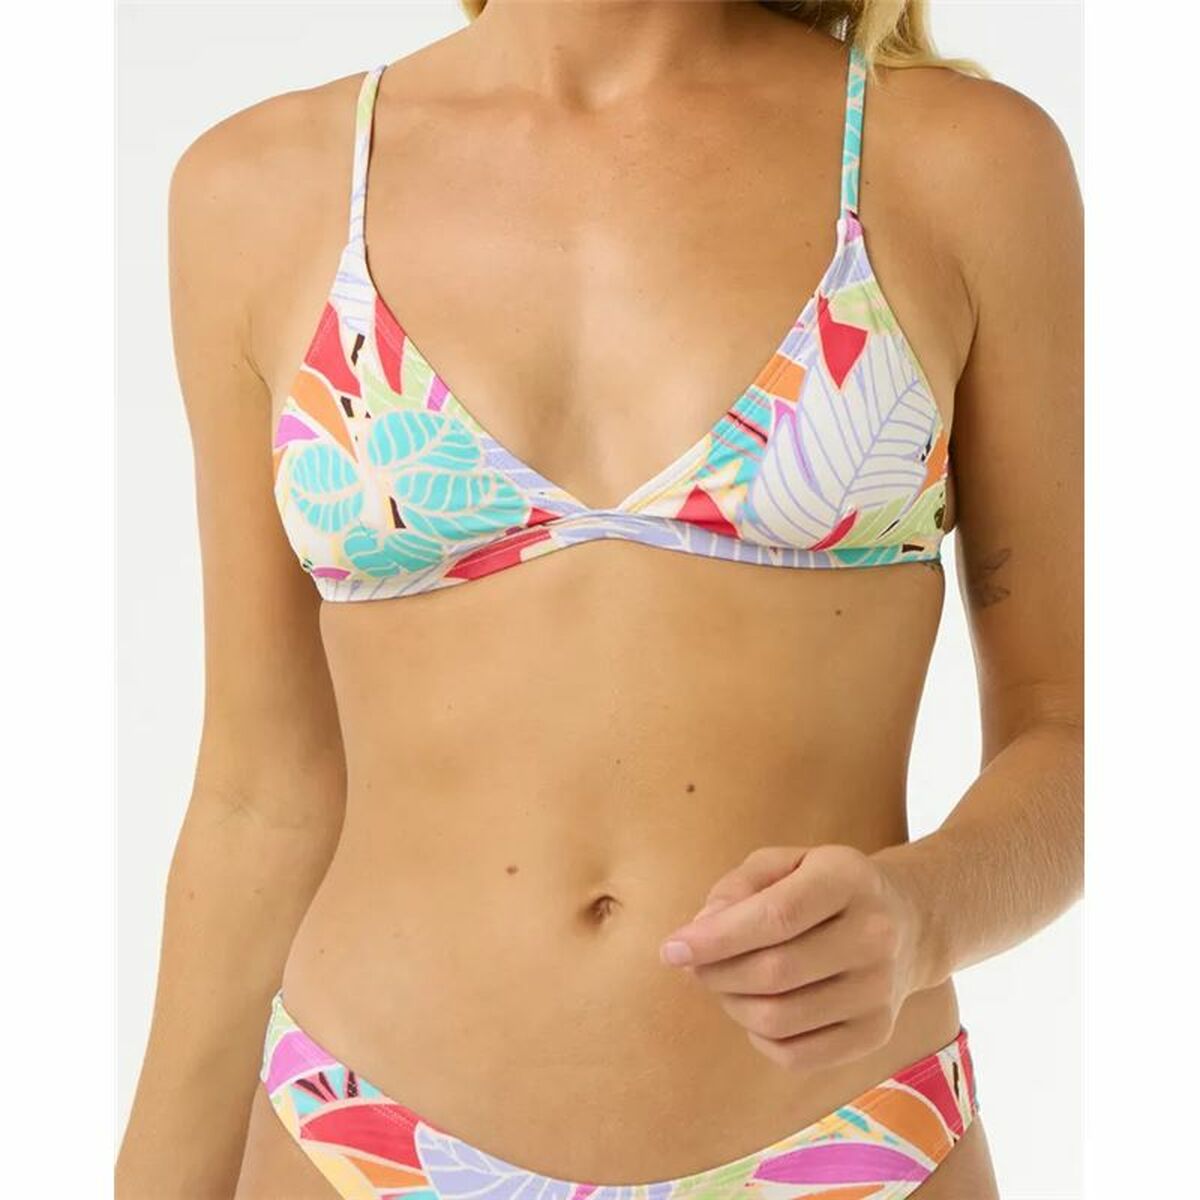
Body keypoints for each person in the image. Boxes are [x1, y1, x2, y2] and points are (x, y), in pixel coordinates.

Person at [116, 1, 1083, 1197]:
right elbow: (259, 797)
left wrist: (923, 915)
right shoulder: (263, 187)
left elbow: (1075, 732)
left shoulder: (958, 162)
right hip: (362, 1132)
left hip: (840, 1139)